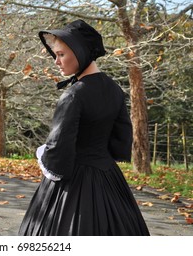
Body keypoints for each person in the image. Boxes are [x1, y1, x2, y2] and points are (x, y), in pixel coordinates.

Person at [18, 19, 150, 236]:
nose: (56, 61)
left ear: (80, 53)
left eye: (61, 54)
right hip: (108, 176)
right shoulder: (114, 89)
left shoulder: (74, 95)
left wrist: (43, 154)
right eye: (56, 55)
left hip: (73, 182)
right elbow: (121, 136)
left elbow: (58, 152)